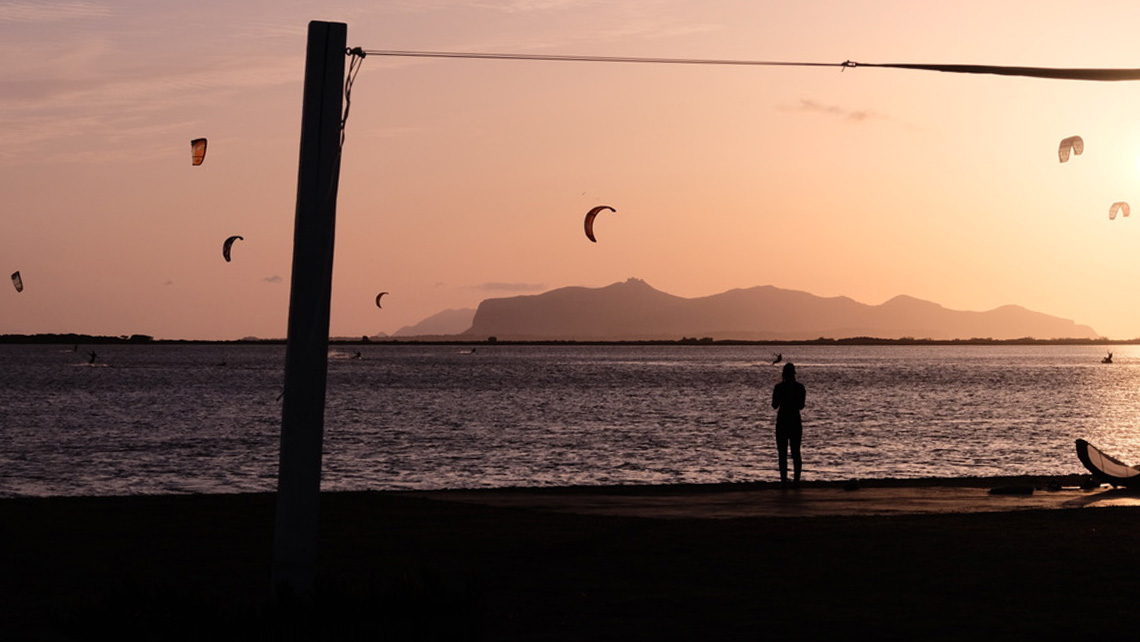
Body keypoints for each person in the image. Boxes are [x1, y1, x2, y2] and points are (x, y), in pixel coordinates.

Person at [772, 362, 806, 486]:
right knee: (796, 452)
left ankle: (783, 480)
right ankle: (796, 480)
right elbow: (801, 406)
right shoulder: (800, 387)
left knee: (782, 453)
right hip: (795, 421)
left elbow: (774, 405)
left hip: (782, 421)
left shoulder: (779, 387)